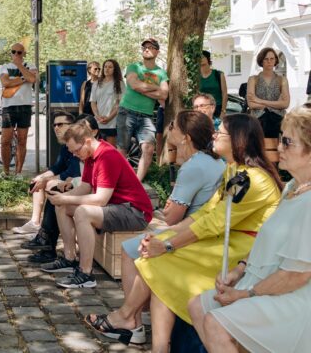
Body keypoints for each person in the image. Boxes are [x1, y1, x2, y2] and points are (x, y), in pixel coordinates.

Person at [86, 114, 282, 350]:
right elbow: (205, 214)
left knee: (156, 263)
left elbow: (215, 223)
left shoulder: (255, 179)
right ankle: (155, 342)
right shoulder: (234, 170)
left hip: (243, 251)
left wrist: (169, 244)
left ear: (238, 140)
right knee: (158, 266)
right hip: (223, 240)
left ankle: (129, 318)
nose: (214, 134)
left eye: (221, 132)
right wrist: (164, 236)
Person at [189, 106, 311, 353]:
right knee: (198, 306)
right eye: (280, 140)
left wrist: (244, 296)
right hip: (261, 284)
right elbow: (267, 241)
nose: (279, 148)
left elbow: (297, 275)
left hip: (293, 300)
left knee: (215, 323)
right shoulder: (291, 189)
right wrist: (239, 270)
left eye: (287, 142)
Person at [117, 111, 224, 333]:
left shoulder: (193, 166)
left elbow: (171, 217)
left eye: (173, 125)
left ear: (186, 137)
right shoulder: (215, 161)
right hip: (200, 228)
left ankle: (133, 322)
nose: (169, 129)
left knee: (129, 250)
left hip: (189, 232)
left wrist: (165, 209)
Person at [44, 121, 153, 289]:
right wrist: (61, 197)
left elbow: (100, 199)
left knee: (82, 212)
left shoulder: (107, 156)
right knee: (63, 206)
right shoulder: (89, 155)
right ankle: (69, 258)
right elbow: (85, 188)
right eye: (71, 151)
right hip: (118, 207)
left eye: (76, 150)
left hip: (135, 212)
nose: (74, 155)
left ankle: (85, 273)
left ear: (87, 141)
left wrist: (66, 198)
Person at [19, 112, 81, 263]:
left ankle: (46, 241)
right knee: (44, 182)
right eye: (54, 125)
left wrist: (48, 179)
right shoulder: (65, 146)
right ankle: (39, 229)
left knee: (53, 187)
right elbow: (57, 166)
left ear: (72, 126)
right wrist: (43, 177)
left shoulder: (77, 143)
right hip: (77, 184)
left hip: (81, 185)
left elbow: (74, 172)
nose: (56, 128)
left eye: (60, 124)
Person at [117, 38, 169, 182]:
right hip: (127, 111)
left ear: (157, 52)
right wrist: (156, 87)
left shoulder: (161, 73)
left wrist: (143, 88)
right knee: (122, 150)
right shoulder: (134, 66)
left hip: (146, 116)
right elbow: (134, 84)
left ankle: (136, 183)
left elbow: (164, 94)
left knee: (148, 149)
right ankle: (117, 181)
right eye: (144, 47)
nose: (146, 49)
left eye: (151, 47)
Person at [0, 43, 37, 175]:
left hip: (25, 106)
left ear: (24, 54)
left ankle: (18, 173)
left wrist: (19, 65)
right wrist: (23, 78)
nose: (16, 54)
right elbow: (5, 83)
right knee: (5, 141)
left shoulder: (30, 65)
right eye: (13, 52)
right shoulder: (5, 67)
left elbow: (32, 78)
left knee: (22, 140)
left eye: (19, 52)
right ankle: (6, 171)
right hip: (8, 107)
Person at [246, 47, 289, 138]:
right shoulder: (253, 79)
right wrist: (276, 105)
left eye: (272, 58)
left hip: (278, 120)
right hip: (258, 120)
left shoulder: (282, 80)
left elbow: (285, 104)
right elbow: (251, 104)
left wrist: (259, 100)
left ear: (275, 60)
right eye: (266, 59)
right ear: (261, 61)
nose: (269, 61)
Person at [90, 59, 124, 146]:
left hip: (112, 122)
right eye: (105, 66)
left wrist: (109, 118)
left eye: (110, 67)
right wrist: (97, 116)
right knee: (97, 149)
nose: (107, 69)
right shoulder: (96, 83)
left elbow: (119, 104)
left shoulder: (119, 84)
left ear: (114, 69)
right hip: (98, 121)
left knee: (110, 150)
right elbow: (93, 102)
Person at [199, 51, 227, 118]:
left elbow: (225, 94)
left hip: (217, 109)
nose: (200, 59)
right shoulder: (196, 77)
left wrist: (223, 111)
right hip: (202, 109)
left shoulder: (219, 74)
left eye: (202, 57)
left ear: (208, 61)